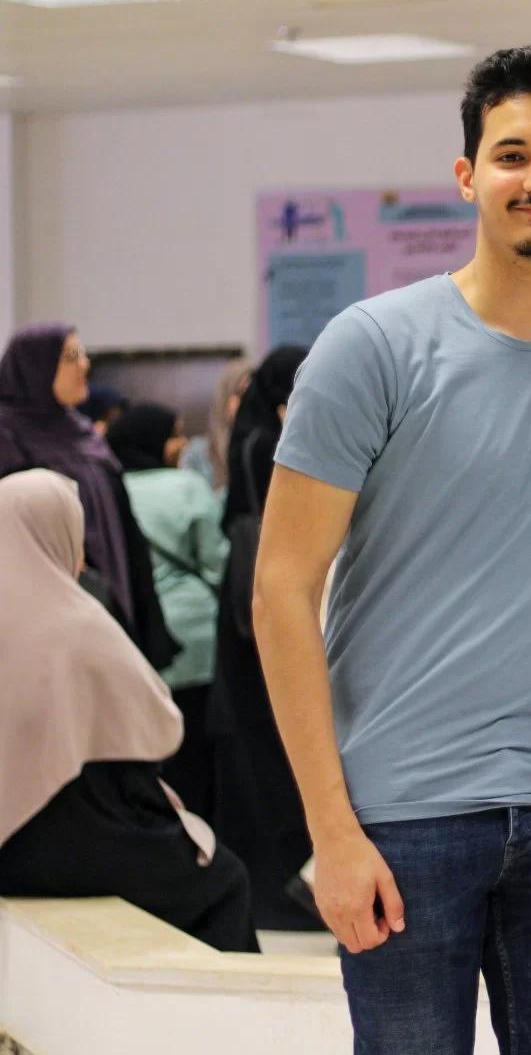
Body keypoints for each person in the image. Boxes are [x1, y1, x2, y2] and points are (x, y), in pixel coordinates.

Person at [253, 44, 531, 1054]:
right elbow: (281, 590)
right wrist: (331, 831)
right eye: (512, 154)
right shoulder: (371, 345)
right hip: (402, 819)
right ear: (468, 174)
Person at [0, 468, 257, 953]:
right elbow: (163, 726)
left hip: (8, 848)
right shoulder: (77, 621)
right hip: (75, 837)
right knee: (224, 880)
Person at [209, 345, 318, 931]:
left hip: (253, 602)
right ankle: (281, 885)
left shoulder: (251, 436)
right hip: (262, 604)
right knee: (270, 745)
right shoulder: (264, 444)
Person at [0, 323, 178, 670]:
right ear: (36, 368)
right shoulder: (8, 435)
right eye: (71, 356)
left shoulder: (83, 433)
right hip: (44, 608)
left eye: (82, 354)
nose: (84, 364)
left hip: (112, 589)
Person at [107, 403, 230, 820]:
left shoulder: (109, 489)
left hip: (135, 639)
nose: (182, 444)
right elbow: (216, 563)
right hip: (195, 640)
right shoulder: (187, 487)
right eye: (175, 434)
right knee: (196, 753)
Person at [182, 357, 253, 493]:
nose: (249, 401)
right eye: (241, 394)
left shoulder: (266, 448)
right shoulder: (197, 453)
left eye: (254, 394)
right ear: (224, 397)